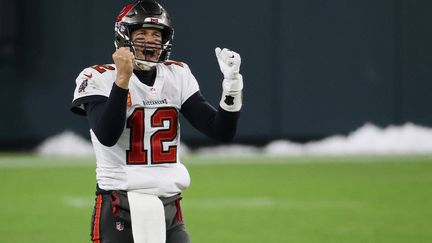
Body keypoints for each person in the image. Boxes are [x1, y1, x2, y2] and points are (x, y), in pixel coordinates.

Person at [70, 0, 243, 242]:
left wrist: (232, 87)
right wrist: (122, 80)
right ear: (125, 36)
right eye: (141, 33)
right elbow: (107, 135)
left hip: (168, 205)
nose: (150, 40)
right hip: (121, 203)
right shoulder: (97, 76)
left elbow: (220, 131)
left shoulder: (177, 74)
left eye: (156, 34)